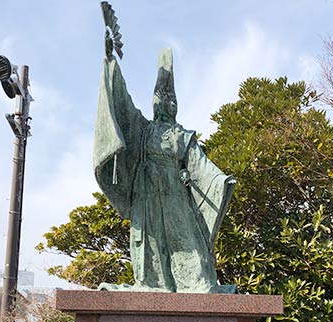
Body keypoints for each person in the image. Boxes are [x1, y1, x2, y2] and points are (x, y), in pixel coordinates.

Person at [94, 45, 236, 293]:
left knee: (185, 238)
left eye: (171, 100)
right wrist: (110, 64)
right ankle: (152, 283)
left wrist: (220, 180)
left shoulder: (182, 135)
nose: (167, 104)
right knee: (149, 240)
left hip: (175, 195)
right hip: (145, 193)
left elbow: (200, 164)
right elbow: (123, 106)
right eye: (162, 99)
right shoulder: (143, 129)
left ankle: (193, 283)